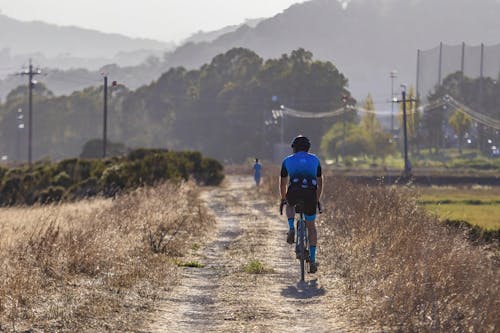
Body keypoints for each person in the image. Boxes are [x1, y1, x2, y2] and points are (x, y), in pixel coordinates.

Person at [279, 135, 323, 273]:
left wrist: (283, 198)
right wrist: (316, 199)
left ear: (294, 148)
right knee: (312, 228)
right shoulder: (315, 159)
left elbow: (283, 182)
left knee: (290, 205)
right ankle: (313, 259)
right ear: (308, 148)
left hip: (294, 191)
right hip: (310, 194)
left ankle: (291, 227)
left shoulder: (287, 160)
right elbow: (320, 182)